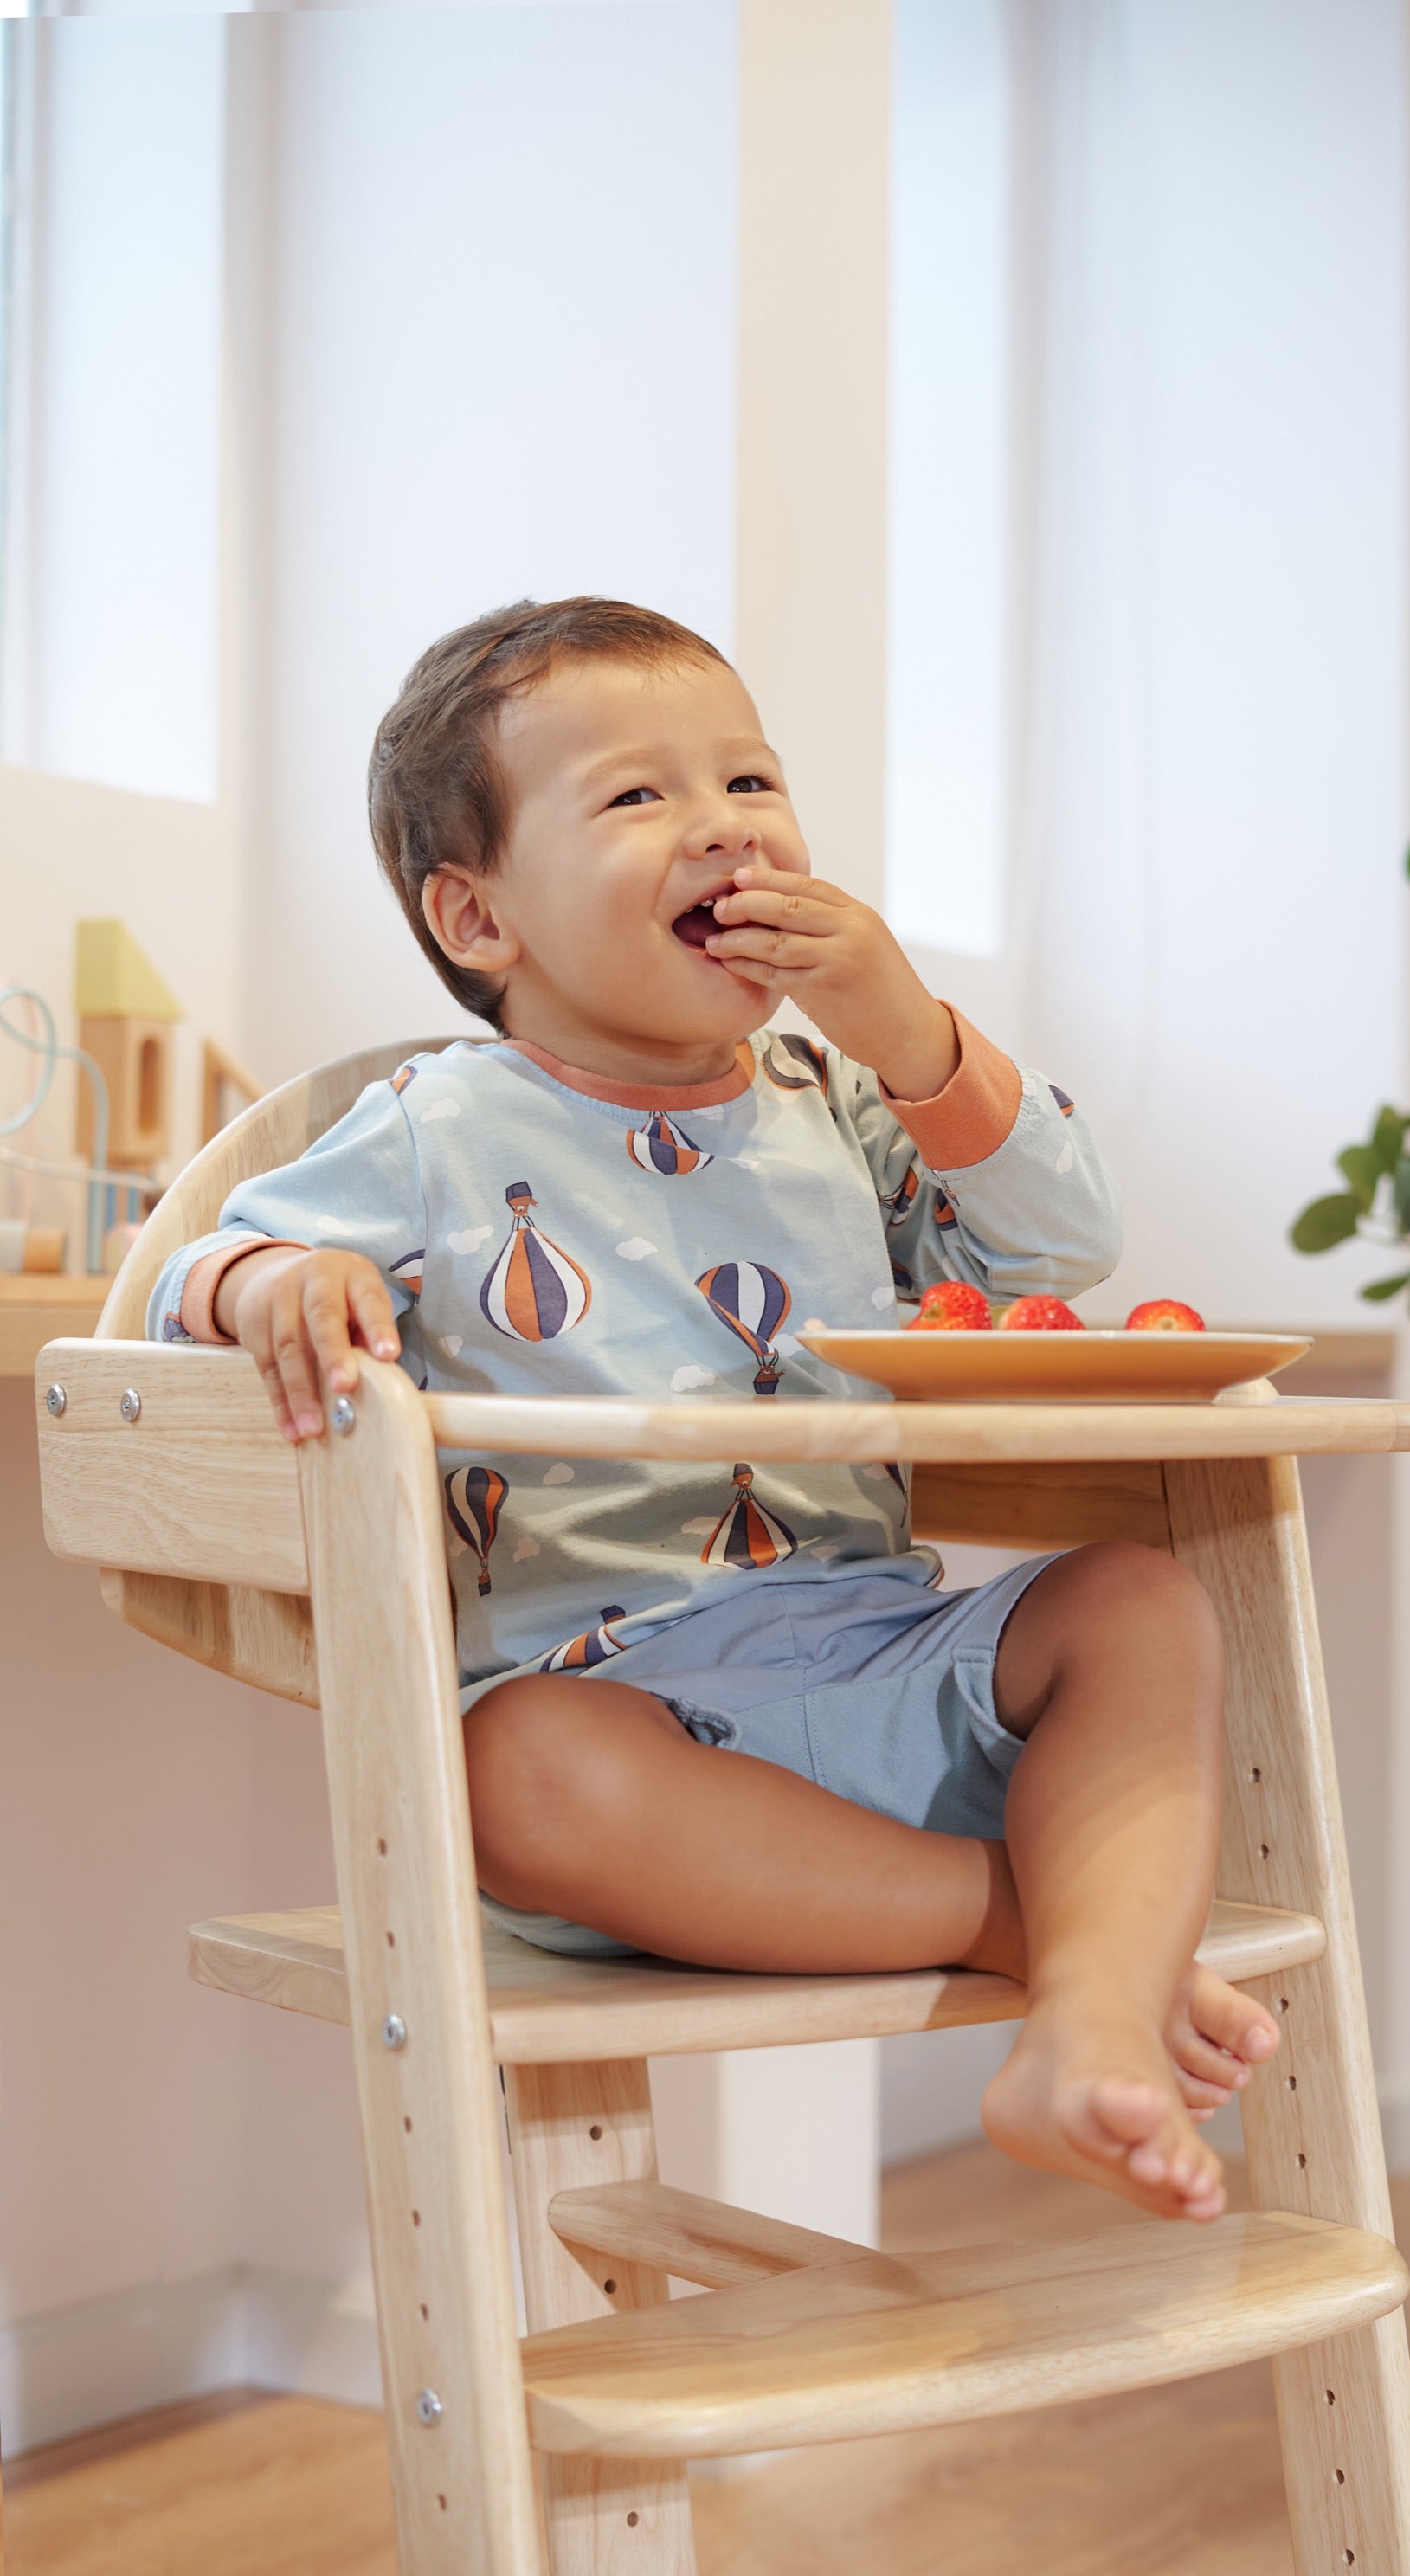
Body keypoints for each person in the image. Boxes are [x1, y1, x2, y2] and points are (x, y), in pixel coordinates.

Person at [149, 597, 1278, 2220]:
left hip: (884, 1658)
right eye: (636, 797)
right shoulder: (436, 1128)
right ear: (478, 917)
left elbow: (1055, 1240)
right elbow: (208, 1255)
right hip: (628, 1728)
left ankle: (1079, 2015)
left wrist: (907, 1030)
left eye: (750, 781)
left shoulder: (837, 1108)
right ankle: (1064, 1947)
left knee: (1139, 1599)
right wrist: (273, 1289)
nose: (723, 828)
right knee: (508, 1773)